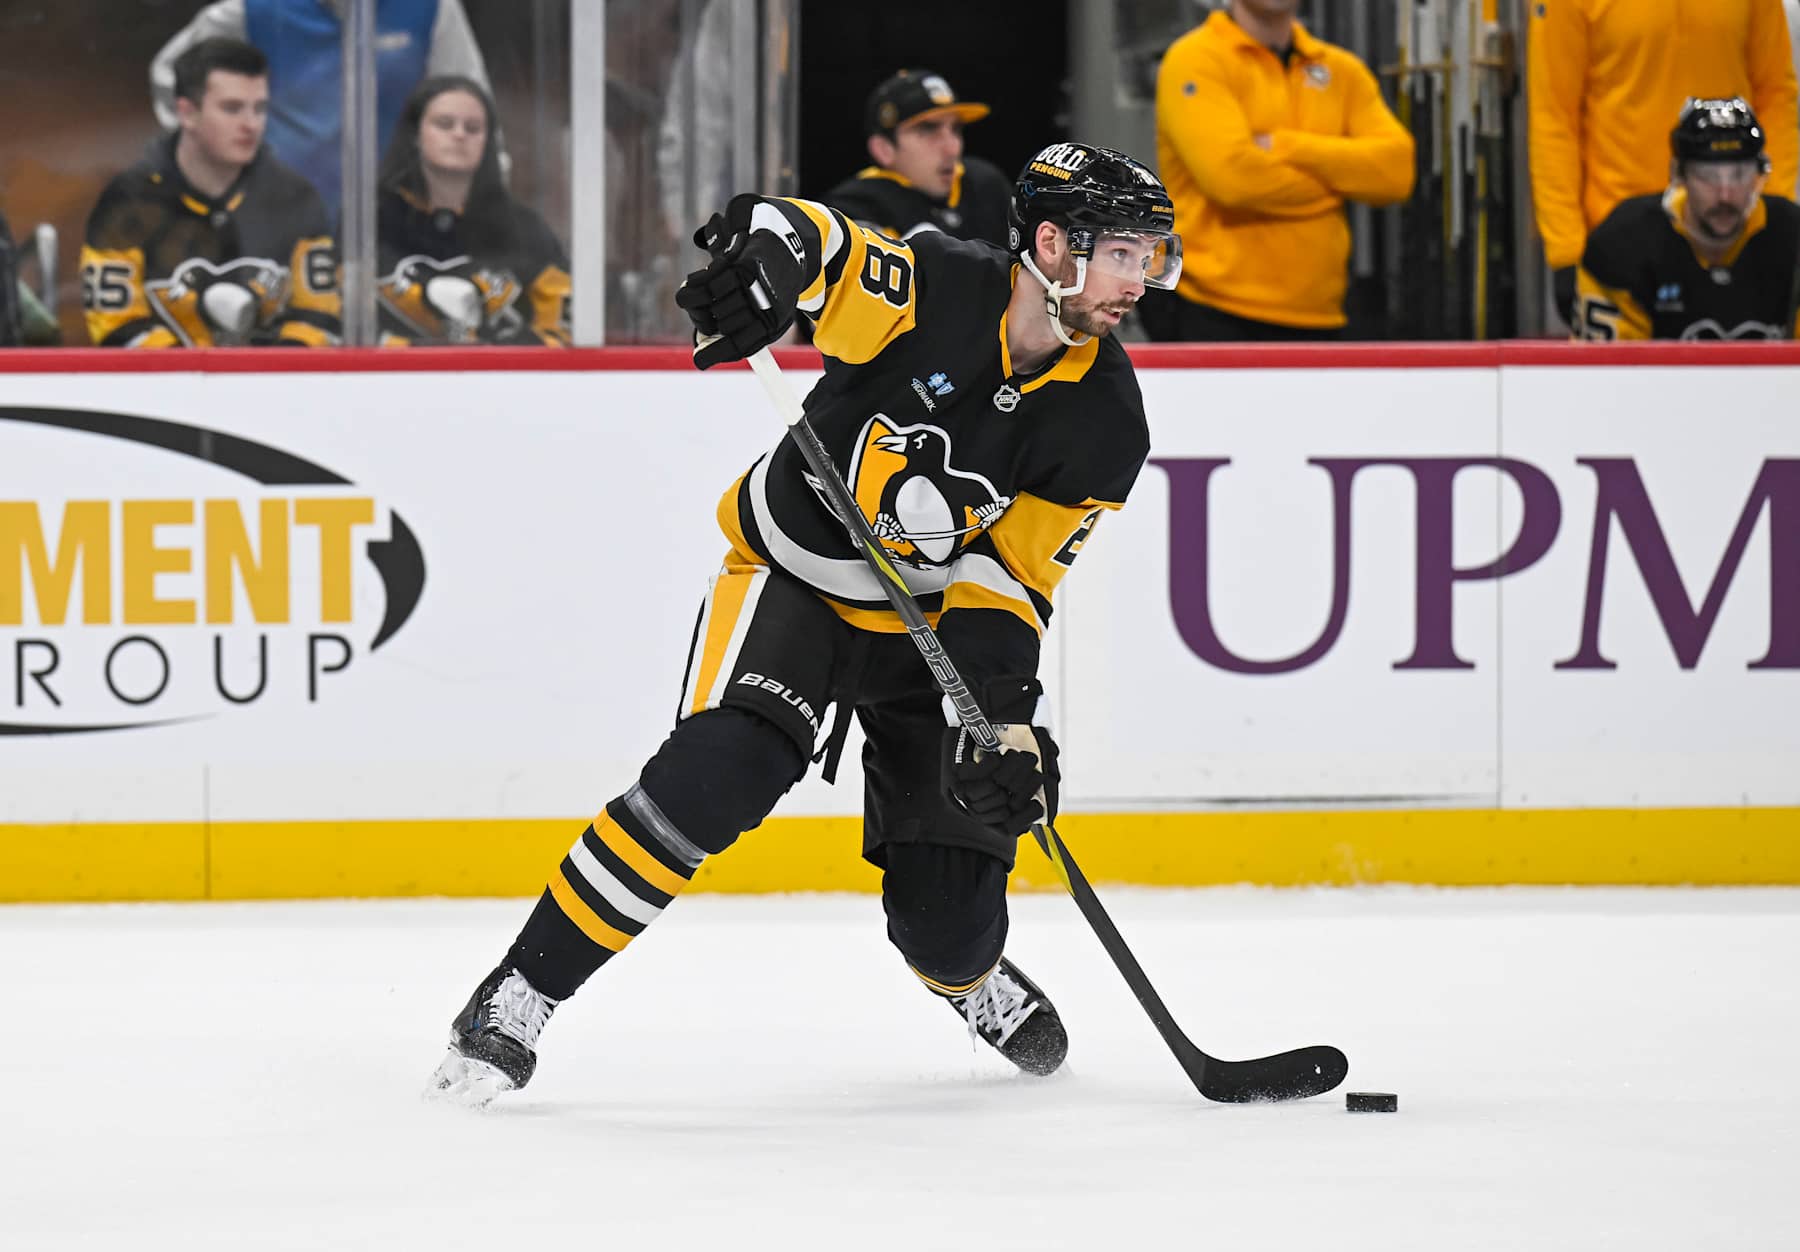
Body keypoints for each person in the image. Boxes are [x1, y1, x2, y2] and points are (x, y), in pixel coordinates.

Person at [427, 141, 1182, 1104]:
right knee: (717, 775)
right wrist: (765, 265)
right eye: (1121, 253)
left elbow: (1009, 578)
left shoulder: (1108, 419)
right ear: (1049, 245)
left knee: (947, 928)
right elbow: (813, 241)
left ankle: (971, 979)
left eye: (1150, 257)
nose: (1139, 279)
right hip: (796, 581)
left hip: (930, 638)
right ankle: (517, 994)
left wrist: (1003, 721)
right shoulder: (937, 283)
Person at [1146, 0, 1414, 341]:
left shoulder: (1341, 70)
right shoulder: (1196, 60)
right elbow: (1234, 181)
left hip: (1320, 312)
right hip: (1213, 308)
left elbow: (1396, 173)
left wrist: (1287, 146)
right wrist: (1339, 183)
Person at [1528, 0, 1798, 326]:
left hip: (1732, 236)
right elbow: (1554, 116)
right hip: (1620, 244)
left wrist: (1768, 213)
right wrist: (1566, 249)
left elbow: (1776, 94)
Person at [82, 37, 339, 348]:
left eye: (259, 109)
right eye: (232, 108)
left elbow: (319, 314)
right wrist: (189, 373)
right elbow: (115, 323)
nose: (251, 124)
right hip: (165, 380)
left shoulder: (296, 199)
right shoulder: (128, 201)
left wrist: (271, 370)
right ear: (187, 113)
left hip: (271, 378)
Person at [150, 0, 496, 215]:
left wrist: (487, 205)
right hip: (275, 220)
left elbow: (472, 106)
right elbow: (173, 78)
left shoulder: (430, 9)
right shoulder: (256, 11)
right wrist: (212, 167)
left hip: (394, 225)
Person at [1574, 98, 1800, 341]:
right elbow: (1610, 363)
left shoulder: (1792, 235)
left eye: (1739, 174)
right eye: (1708, 175)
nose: (1725, 194)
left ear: (1760, 172)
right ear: (1679, 174)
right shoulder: (1622, 243)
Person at [374, 76, 570, 345]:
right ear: (415, 135)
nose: (459, 135)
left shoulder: (525, 229)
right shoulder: (373, 220)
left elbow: (560, 330)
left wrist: (503, 356)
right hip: (391, 372)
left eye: (473, 128)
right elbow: (340, 321)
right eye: (444, 124)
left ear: (487, 141)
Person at [821, 69, 1014, 246]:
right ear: (884, 149)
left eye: (956, 129)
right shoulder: (854, 208)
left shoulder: (986, 183)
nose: (952, 148)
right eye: (928, 130)